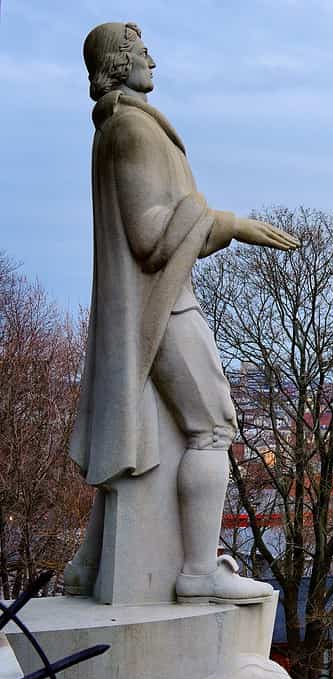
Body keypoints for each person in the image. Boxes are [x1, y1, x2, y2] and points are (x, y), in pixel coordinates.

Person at [67, 22, 299, 603]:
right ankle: (197, 569)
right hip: (163, 306)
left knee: (136, 435)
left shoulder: (123, 128)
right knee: (214, 426)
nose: (152, 57)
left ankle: (89, 566)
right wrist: (228, 223)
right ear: (117, 64)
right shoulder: (132, 132)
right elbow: (150, 237)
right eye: (140, 49)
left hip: (154, 304)